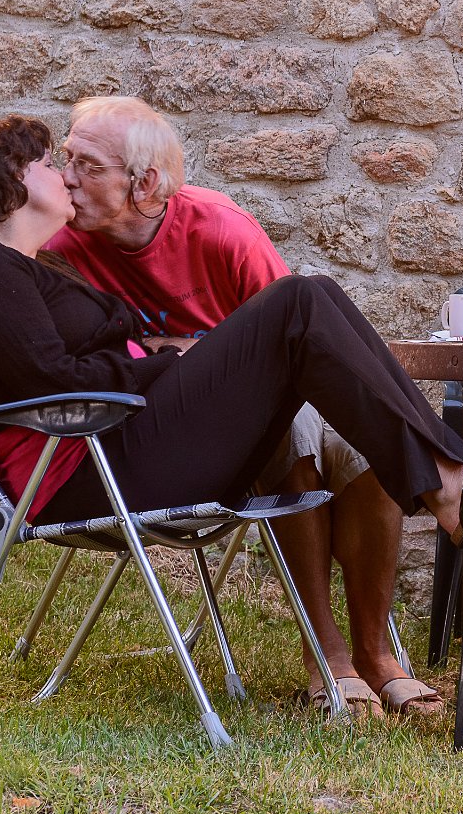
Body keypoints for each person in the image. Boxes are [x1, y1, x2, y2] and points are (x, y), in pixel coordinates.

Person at [0, 115, 463, 720]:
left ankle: (446, 484)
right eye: (51, 163)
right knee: (300, 300)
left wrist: (155, 356)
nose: (66, 177)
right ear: (13, 180)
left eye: (75, 164)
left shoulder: (34, 265)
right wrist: (166, 362)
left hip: (131, 447)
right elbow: (55, 379)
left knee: (312, 297)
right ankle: (448, 482)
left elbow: (78, 358)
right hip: (92, 473)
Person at [41, 96, 434, 715]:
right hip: (170, 434)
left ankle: (376, 652)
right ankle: (325, 652)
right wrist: (190, 350)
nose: (66, 178)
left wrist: (174, 347)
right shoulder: (61, 250)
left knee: (360, 439)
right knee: (293, 434)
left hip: (277, 400)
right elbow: (92, 355)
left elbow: (304, 342)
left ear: (144, 184)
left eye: (87, 166)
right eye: (66, 159)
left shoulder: (219, 228)